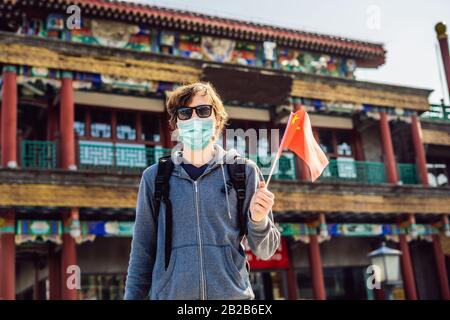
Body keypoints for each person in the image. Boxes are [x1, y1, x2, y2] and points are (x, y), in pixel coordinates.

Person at [124, 82, 280, 300]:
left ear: (216, 119)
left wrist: (259, 220)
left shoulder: (243, 172)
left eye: (204, 111)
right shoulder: (155, 178)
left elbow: (266, 250)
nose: (195, 119)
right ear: (176, 124)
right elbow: (142, 251)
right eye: (185, 113)